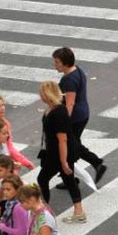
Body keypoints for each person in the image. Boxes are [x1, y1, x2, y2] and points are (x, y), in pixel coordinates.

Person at [52, 47, 106, 187]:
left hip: (74, 117)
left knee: (69, 145)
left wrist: (65, 121)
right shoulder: (77, 70)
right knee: (73, 144)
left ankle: (76, 174)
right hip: (83, 113)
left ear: (65, 63)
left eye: (57, 62)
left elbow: (70, 103)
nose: (55, 64)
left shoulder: (68, 80)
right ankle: (91, 166)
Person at [35, 81, 86, 224]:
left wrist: (63, 162)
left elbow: (62, 139)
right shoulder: (51, 108)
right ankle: (79, 211)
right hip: (54, 151)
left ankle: (44, 212)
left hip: (58, 153)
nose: (40, 95)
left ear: (47, 94)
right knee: (69, 180)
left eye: (41, 92)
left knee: (42, 179)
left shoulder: (58, 112)